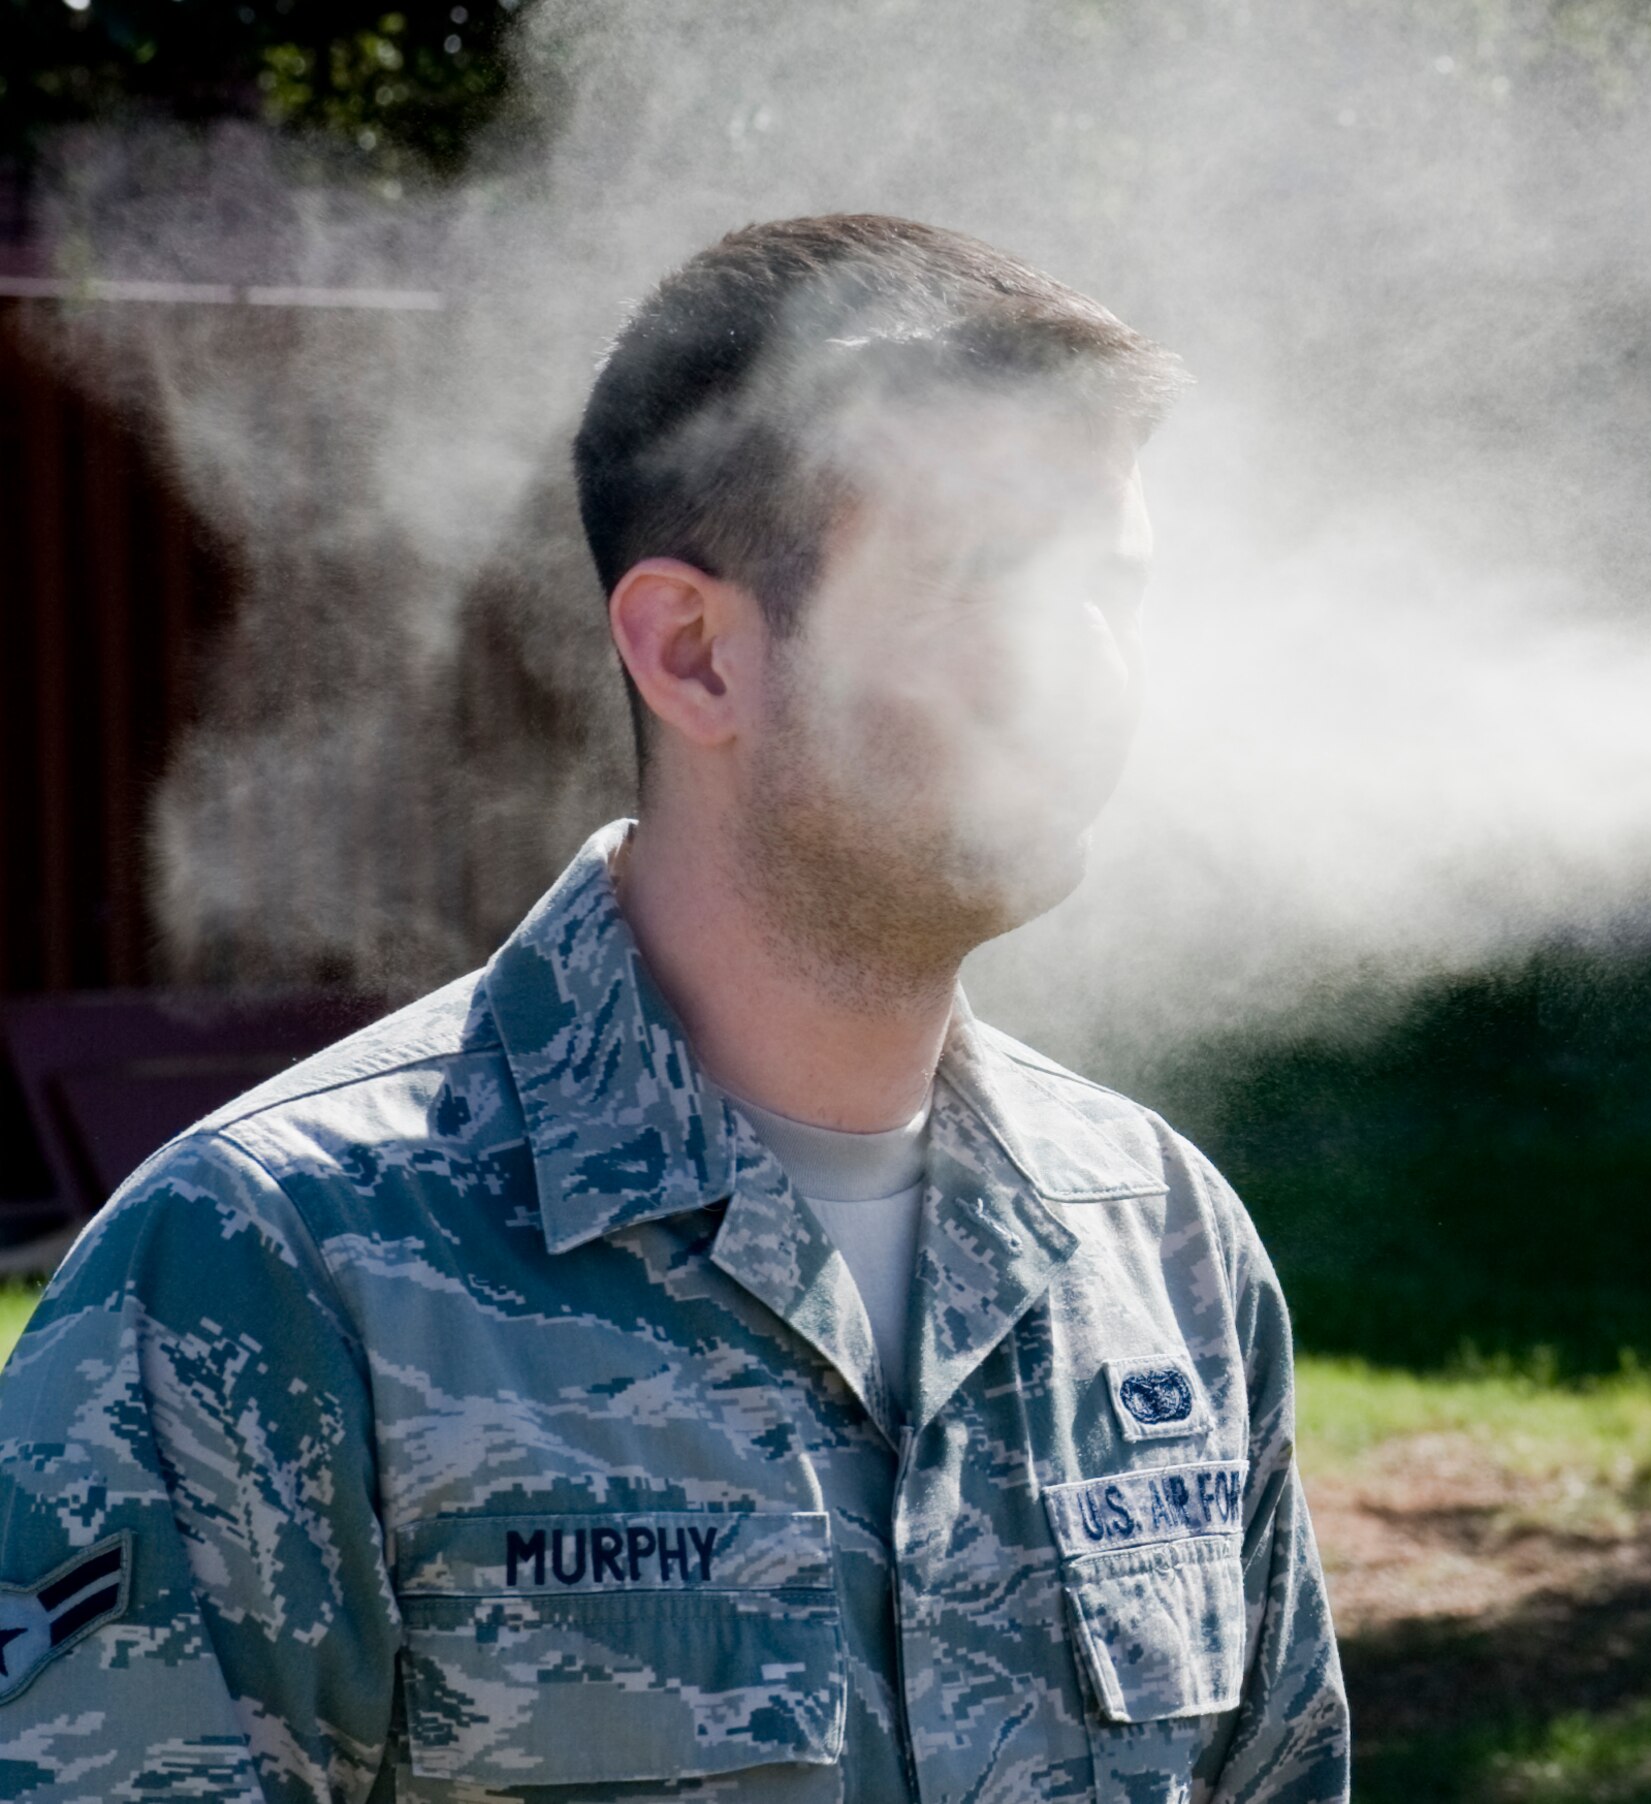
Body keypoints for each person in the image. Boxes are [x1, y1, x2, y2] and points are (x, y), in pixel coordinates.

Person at [0, 215, 1348, 1802]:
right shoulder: (268, 1270)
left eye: (1116, 590)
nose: (1093, 671)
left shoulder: (1161, 1243)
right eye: (998, 577)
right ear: (696, 653)